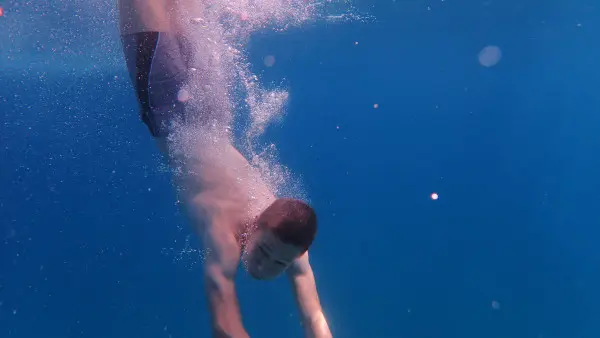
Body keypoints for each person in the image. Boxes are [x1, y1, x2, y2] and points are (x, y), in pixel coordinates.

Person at [117, 1, 333, 337]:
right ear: (257, 223)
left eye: (280, 263)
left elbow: (314, 317)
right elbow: (224, 323)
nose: (265, 267)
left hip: (209, 110)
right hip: (169, 113)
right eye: (263, 251)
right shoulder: (225, 238)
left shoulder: (291, 249)